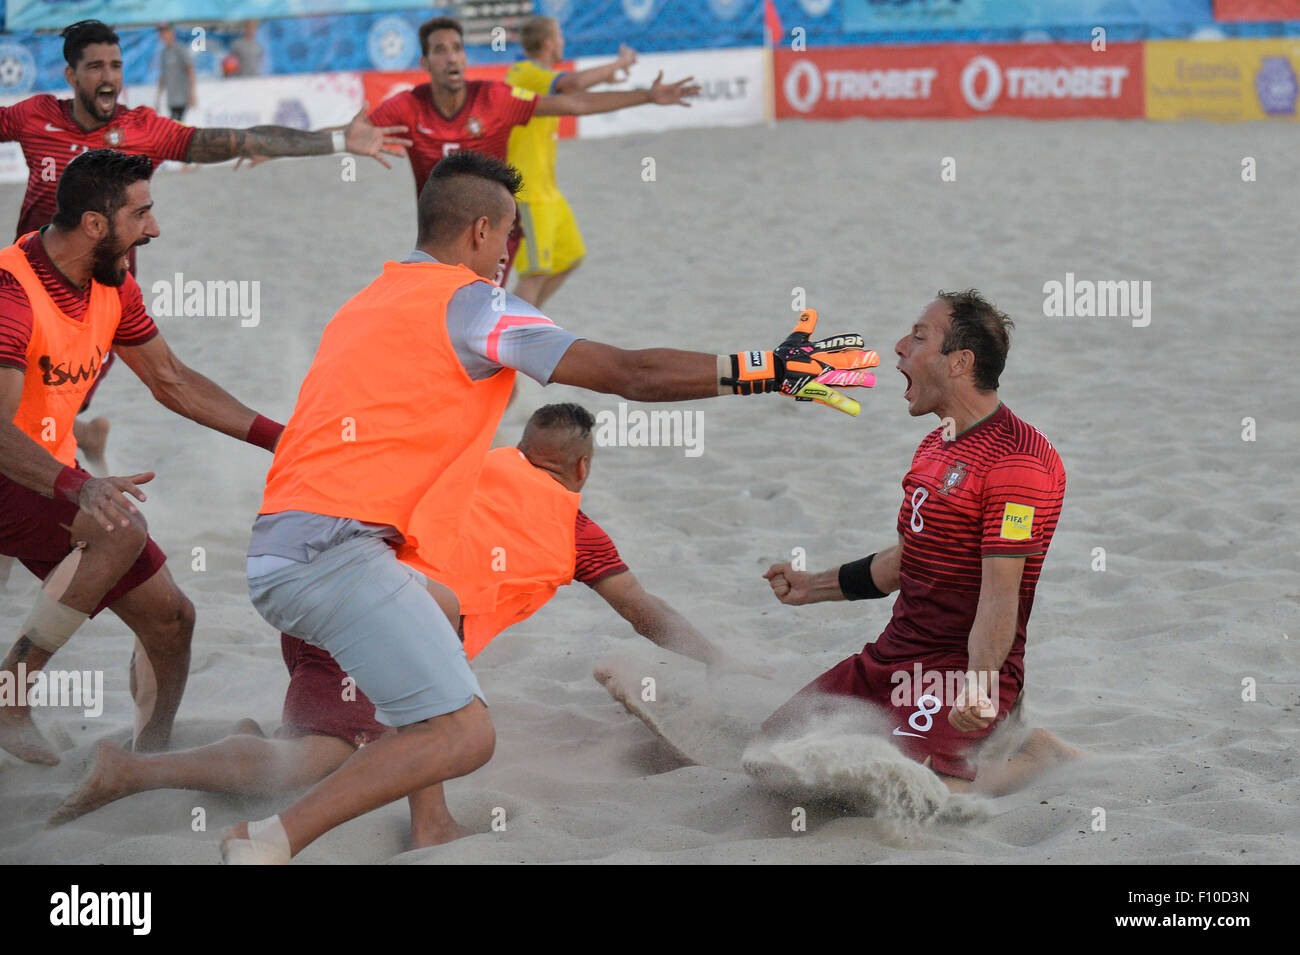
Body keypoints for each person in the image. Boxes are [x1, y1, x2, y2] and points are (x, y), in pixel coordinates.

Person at [220, 150, 876, 863]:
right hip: (332, 554)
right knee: (467, 734)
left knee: (440, 608)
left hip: (285, 543)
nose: (510, 254)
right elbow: (631, 373)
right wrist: (767, 370)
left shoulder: (368, 300)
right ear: (479, 231)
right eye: (509, 237)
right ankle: (271, 839)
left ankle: (431, 822)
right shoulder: (475, 305)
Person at [51, 403, 768, 844]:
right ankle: (133, 771)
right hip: (377, 619)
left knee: (332, 736)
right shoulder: (576, 531)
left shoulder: (468, 466)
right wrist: (718, 660)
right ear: (581, 468)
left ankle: (258, 738)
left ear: (521, 451)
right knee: (310, 767)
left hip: (312, 596)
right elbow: (645, 611)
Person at [0, 19, 410, 467]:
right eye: (95, 66)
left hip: (103, 297)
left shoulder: (144, 130)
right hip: (27, 291)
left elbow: (239, 140)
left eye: (116, 65)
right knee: (26, 419)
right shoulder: (34, 116)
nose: (109, 77)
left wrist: (335, 140)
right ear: (71, 76)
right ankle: (78, 458)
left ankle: (78, 451)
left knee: (57, 409)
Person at [0, 149, 288, 765]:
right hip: (13, 467)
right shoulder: (11, 292)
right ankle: (10, 699)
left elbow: (173, 381)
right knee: (119, 526)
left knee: (173, 620)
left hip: (43, 473)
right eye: (142, 213)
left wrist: (280, 439)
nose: (154, 229)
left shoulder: (112, 284)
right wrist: (79, 486)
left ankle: (148, 759)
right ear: (96, 226)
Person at [758, 291, 1081, 796]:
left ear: (960, 363)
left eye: (919, 336)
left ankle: (1036, 754)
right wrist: (811, 587)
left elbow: (1000, 597)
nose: (899, 347)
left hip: (958, 674)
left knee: (916, 793)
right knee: (770, 756)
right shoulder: (936, 443)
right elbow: (909, 559)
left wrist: (979, 688)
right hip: (890, 660)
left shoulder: (1017, 463)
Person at [368, 16, 697, 284]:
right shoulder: (524, 74)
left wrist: (643, 94)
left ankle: (521, 323)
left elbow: (575, 99)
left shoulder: (498, 94)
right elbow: (574, 89)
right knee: (530, 279)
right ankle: (520, 321)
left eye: (457, 48)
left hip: (517, 212)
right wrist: (336, 142)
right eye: (441, 50)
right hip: (518, 201)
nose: (452, 56)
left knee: (562, 262)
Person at [507, 17, 636, 307]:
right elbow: (575, 83)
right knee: (534, 272)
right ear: (549, 43)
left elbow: (573, 92)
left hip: (548, 192)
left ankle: (528, 320)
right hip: (525, 192)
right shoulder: (525, 72)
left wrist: (606, 77)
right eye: (561, 38)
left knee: (570, 257)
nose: (564, 43)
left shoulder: (542, 78)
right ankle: (509, 333)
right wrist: (618, 64)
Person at [155, 24, 195, 123]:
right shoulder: (164, 52)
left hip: (182, 97)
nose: (162, 36)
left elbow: (190, 70)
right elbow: (163, 76)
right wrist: (158, 98)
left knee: (178, 125)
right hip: (171, 98)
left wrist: (192, 94)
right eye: (161, 33)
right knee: (175, 124)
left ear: (172, 33)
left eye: (165, 32)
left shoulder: (180, 49)